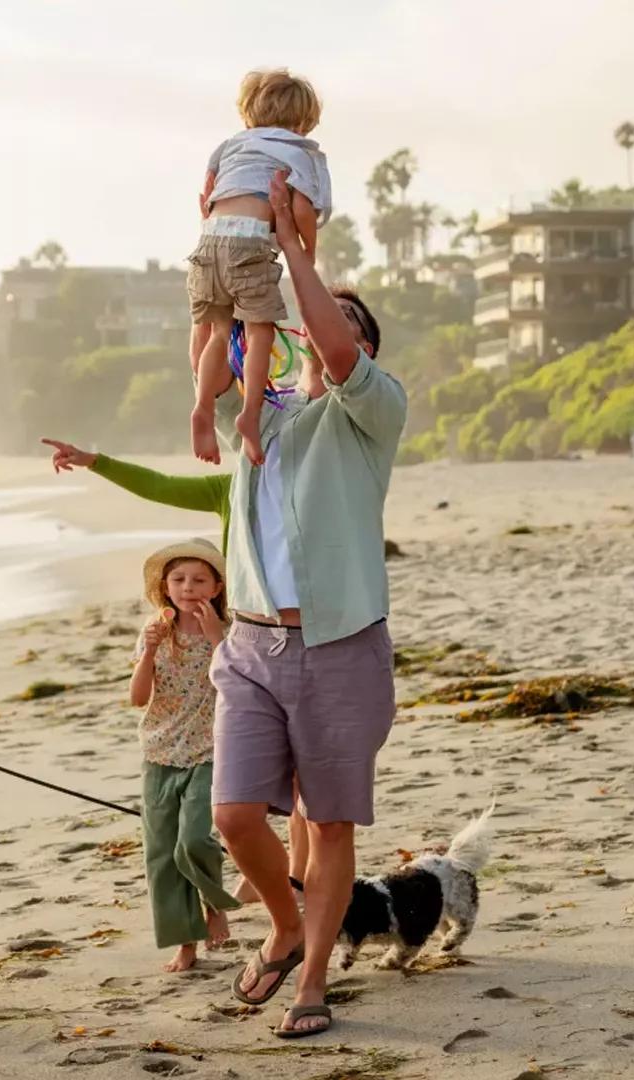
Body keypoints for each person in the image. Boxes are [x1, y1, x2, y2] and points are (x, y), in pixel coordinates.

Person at [206, 171, 407, 1040]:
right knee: (233, 814)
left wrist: (296, 249)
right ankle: (286, 928)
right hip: (250, 647)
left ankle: (313, 981)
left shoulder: (375, 413)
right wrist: (221, 243)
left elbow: (330, 347)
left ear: (362, 352)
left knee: (328, 826)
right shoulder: (264, 423)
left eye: (346, 329)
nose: (328, 337)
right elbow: (212, 360)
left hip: (339, 648)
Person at [37, 438, 312, 898]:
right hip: (246, 633)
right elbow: (160, 485)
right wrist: (96, 461)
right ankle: (275, 870)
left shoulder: (311, 494)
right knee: (255, 767)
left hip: (304, 632)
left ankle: (299, 872)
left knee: (303, 768)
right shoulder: (231, 489)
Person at [188, 68, 331, 469]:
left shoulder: (230, 146)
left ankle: (201, 405)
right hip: (249, 243)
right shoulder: (300, 152)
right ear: (304, 121)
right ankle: (249, 415)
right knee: (259, 331)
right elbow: (301, 207)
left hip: (207, 242)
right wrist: (307, 250)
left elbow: (212, 189)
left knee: (219, 331)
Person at [129, 539, 243, 972]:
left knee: (194, 839)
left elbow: (237, 684)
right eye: (178, 579)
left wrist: (216, 638)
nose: (188, 587)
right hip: (158, 749)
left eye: (199, 579)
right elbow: (138, 698)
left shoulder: (230, 630)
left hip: (212, 748)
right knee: (161, 854)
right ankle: (186, 944)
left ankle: (215, 904)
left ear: (216, 587)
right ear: (165, 586)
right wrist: (151, 652)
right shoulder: (154, 631)